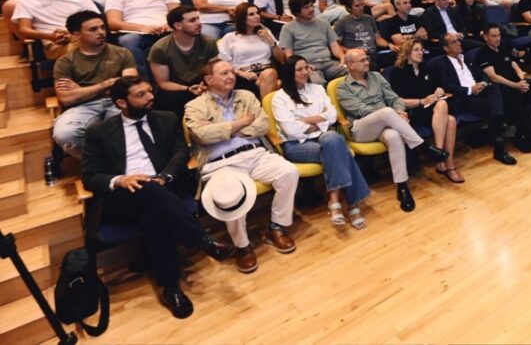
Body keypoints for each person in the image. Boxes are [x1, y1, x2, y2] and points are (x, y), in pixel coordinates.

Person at [81, 76, 234, 319]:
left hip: (161, 189)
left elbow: (181, 152)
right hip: (122, 196)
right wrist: (121, 180)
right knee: (148, 190)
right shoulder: (100, 132)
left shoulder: (166, 118)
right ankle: (202, 239)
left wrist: (164, 177)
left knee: (154, 215)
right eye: (140, 94)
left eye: (149, 91)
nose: (150, 96)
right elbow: (90, 176)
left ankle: (171, 288)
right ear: (122, 103)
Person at [185, 60, 300, 273]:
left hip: (255, 154)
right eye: (224, 73)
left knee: (289, 172)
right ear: (208, 80)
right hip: (221, 164)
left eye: (231, 71)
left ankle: (277, 225)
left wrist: (222, 130)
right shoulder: (195, 106)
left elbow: (262, 124)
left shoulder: (246, 97)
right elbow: (201, 135)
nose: (231, 76)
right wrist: (239, 124)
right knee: (232, 196)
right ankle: (242, 245)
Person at [336, 48, 448, 212]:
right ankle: (423, 147)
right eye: (362, 60)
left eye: (367, 59)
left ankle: (402, 187)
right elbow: (361, 110)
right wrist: (392, 114)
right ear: (350, 65)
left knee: (394, 136)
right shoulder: (342, 87)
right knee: (386, 112)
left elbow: (394, 98)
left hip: (386, 123)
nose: (367, 62)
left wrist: (400, 112)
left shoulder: (376, 77)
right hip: (361, 129)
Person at [272, 56, 371, 229]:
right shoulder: (279, 98)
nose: (304, 73)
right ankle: (353, 205)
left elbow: (332, 116)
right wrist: (320, 118)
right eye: (299, 69)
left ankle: (334, 202)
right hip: (297, 146)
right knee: (341, 150)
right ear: (289, 73)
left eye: (306, 68)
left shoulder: (317, 89)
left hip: (324, 138)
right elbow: (291, 130)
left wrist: (305, 120)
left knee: (332, 140)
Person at [51, 11, 137, 158]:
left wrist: (82, 91)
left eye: (102, 27)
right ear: (76, 35)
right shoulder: (65, 62)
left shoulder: (122, 53)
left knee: (126, 128)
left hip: (117, 101)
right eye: (93, 29)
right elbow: (66, 99)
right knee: (65, 134)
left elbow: (129, 86)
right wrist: (106, 84)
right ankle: (101, 163)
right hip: (83, 107)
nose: (101, 32)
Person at [434, 33, 517, 165]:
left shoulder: (465, 58)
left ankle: (492, 138)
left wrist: (483, 84)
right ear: (446, 48)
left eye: (458, 41)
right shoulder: (441, 63)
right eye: (454, 42)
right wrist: (469, 90)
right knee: (494, 106)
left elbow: (482, 74)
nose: (459, 43)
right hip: (462, 97)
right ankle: (499, 144)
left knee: (494, 89)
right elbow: (446, 85)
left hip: (478, 90)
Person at [389, 40, 462, 182]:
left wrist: (439, 91)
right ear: (407, 53)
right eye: (416, 50)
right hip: (412, 112)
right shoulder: (397, 72)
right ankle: (445, 162)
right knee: (449, 118)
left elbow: (437, 87)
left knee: (446, 113)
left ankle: (443, 159)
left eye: (421, 50)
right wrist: (422, 101)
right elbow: (396, 101)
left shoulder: (426, 67)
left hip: (431, 111)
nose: (420, 53)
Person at [105, 0, 180, 80]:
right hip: (137, 33)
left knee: (188, 30)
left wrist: (169, 24)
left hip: (166, 30)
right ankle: (143, 81)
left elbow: (177, 13)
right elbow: (113, 23)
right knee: (128, 41)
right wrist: (142, 28)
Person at [149, 6, 220, 114]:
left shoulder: (208, 42)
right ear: (178, 25)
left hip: (202, 84)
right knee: (172, 101)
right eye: (192, 20)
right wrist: (187, 88)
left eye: (198, 19)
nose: (199, 23)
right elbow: (163, 83)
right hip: (176, 89)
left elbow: (213, 70)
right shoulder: (160, 48)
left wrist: (205, 85)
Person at [219, 3, 285, 97]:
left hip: (267, 71)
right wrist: (240, 73)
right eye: (251, 14)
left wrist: (270, 41)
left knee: (269, 73)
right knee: (276, 82)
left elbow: (281, 59)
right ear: (242, 18)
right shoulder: (230, 37)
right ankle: (268, 103)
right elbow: (223, 64)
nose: (257, 16)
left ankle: (264, 108)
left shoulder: (266, 33)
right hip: (243, 75)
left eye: (257, 13)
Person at [280, 0, 347, 84]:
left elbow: (334, 46)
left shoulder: (324, 23)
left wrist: (342, 57)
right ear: (296, 12)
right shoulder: (288, 28)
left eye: (311, 5)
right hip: (308, 65)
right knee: (317, 82)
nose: (311, 9)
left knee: (354, 71)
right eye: (306, 8)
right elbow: (289, 56)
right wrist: (303, 67)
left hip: (329, 63)